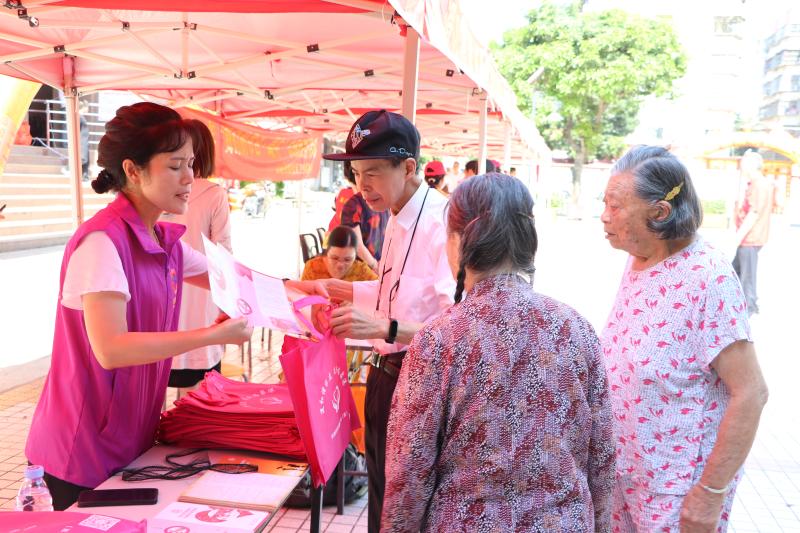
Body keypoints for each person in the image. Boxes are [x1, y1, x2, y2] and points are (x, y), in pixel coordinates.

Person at [23, 102, 323, 510]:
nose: (189, 178)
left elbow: (234, 281)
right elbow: (111, 348)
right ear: (133, 170)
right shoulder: (102, 243)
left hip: (131, 434)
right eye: (175, 166)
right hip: (79, 447)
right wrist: (211, 335)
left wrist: (303, 290)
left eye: (192, 164)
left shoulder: (164, 241)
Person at [381, 173, 615, 532]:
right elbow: (602, 457)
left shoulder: (439, 340)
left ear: (457, 241)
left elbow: (409, 472)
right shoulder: (576, 330)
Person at [599, 145, 768, 532]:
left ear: (659, 213)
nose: (605, 216)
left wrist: (710, 493)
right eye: (604, 203)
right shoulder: (639, 259)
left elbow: (752, 393)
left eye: (616, 206)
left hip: (677, 493)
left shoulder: (708, 277)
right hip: (626, 481)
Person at [320, 110, 456, 532]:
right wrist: (335, 289)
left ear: (409, 167)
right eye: (357, 174)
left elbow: (458, 327)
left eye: (373, 172)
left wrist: (384, 328)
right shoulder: (396, 216)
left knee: (404, 510)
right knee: (380, 500)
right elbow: (392, 292)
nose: (362, 186)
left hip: (419, 384)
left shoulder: (442, 224)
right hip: (384, 377)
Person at [162, 119, 232, 390]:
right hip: (203, 305)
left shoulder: (160, 191)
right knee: (198, 398)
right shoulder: (214, 194)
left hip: (163, 309)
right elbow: (224, 256)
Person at [732, 150, 774, 316]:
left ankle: (748, 308)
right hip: (749, 237)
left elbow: (754, 213)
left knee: (746, 275)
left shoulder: (759, 185)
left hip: (750, 238)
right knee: (736, 271)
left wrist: (738, 237)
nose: (741, 166)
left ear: (751, 165)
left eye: (744, 162)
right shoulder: (757, 183)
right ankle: (745, 304)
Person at [340, 160, 390, 272]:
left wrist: (375, 266)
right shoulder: (384, 199)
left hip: (364, 270)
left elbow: (356, 245)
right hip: (378, 267)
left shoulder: (353, 205)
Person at [301, 225, 378, 283]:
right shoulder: (312, 268)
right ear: (327, 253)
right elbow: (300, 295)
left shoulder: (361, 270)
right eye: (335, 258)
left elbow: (380, 289)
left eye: (347, 260)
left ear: (355, 256)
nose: (340, 265)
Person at [328, 161, 356, 232]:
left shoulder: (342, 192)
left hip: (332, 232)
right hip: (341, 235)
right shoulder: (366, 198)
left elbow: (335, 207)